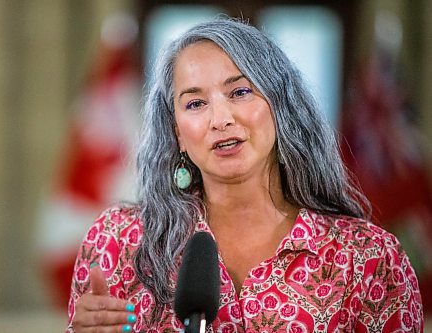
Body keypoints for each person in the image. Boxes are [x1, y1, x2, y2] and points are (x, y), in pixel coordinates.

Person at [66, 18, 423, 332]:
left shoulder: (367, 257)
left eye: (239, 92)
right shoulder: (118, 242)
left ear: (281, 108)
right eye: (195, 103)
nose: (220, 119)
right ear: (178, 134)